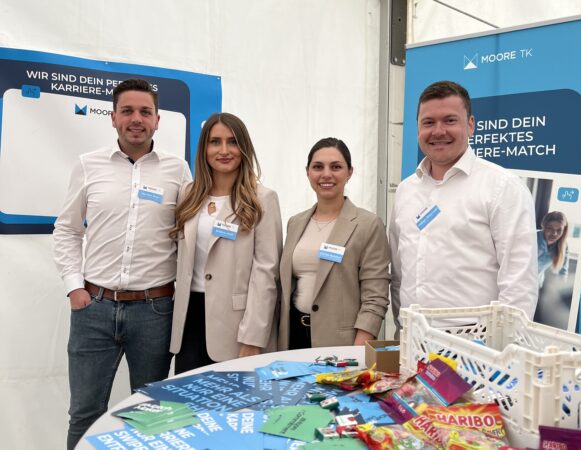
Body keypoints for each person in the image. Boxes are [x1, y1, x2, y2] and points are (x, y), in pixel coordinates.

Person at [53, 78, 192, 449]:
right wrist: (74, 287)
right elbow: (67, 229)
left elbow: (189, 235)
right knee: (85, 413)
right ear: (113, 117)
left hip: (154, 311)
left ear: (157, 120)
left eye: (145, 112)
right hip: (93, 309)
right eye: (127, 111)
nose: (136, 119)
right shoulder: (88, 166)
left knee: (151, 414)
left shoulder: (178, 171)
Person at [389, 80, 538, 336]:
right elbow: (399, 273)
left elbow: (519, 282)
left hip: (476, 345)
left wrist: (502, 348)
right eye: (428, 122)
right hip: (413, 339)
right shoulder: (405, 190)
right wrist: (402, 329)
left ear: (470, 125)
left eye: (449, 120)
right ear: (418, 128)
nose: (438, 131)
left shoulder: (502, 187)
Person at [169, 112, 282, 373]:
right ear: (204, 149)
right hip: (188, 322)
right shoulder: (188, 194)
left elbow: (266, 273)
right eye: (215, 142)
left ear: (244, 148)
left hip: (236, 327)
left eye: (232, 142)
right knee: (189, 397)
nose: (224, 150)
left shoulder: (262, 199)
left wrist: (253, 337)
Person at [278, 137, 390, 350]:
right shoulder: (295, 223)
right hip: (293, 335)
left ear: (349, 172)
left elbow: (375, 295)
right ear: (308, 172)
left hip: (341, 344)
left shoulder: (368, 225)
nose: (326, 174)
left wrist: (359, 349)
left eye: (336, 167)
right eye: (318, 167)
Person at [537, 211, 569, 288]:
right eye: (550, 228)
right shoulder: (532, 237)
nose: (554, 233)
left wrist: (561, 289)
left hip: (536, 285)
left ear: (564, 230)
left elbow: (563, 272)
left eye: (559, 230)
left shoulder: (563, 246)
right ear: (543, 226)